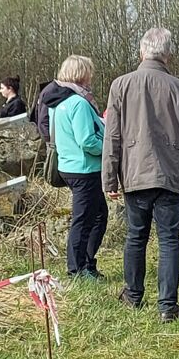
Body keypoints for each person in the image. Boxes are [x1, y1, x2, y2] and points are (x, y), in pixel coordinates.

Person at [104, 28, 179, 323]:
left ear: (141, 53)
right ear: (168, 55)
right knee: (169, 239)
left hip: (135, 171)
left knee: (135, 237)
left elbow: (112, 137)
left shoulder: (120, 86)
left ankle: (133, 295)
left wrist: (109, 179)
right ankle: (167, 305)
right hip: (171, 174)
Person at [42, 57, 107, 280]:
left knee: (97, 216)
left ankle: (86, 263)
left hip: (69, 165)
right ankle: (77, 269)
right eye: (89, 72)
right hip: (84, 168)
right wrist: (107, 148)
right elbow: (87, 140)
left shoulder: (57, 102)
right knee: (85, 219)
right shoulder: (78, 103)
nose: (92, 77)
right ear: (82, 74)